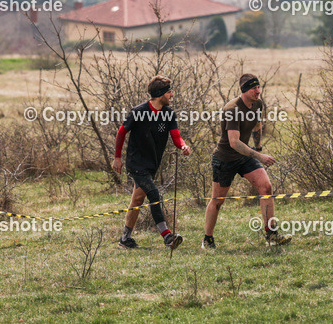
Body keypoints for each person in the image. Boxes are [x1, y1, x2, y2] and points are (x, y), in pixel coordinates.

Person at [203, 73, 292, 249]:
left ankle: (271, 234)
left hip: (245, 156)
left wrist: (258, 148)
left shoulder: (257, 104)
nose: (258, 91)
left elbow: (257, 125)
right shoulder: (232, 110)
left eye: (259, 87)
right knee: (218, 201)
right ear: (244, 90)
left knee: (265, 187)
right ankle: (208, 239)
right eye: (254, 88)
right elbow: (234, 142)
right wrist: (259, 156)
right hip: (225, 159)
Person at [113, 75, 191, 250]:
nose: (172, 95)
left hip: (152, 163)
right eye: (169, 92)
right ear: (160, 94)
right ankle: (168, 237)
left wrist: (183, 146)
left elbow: (176, 136)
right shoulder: (139, 111)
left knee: (138, 199)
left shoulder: (168, 114)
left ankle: (125, 240)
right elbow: (121, 132)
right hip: (136, 163)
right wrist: (117, 157)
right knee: (154, 195)